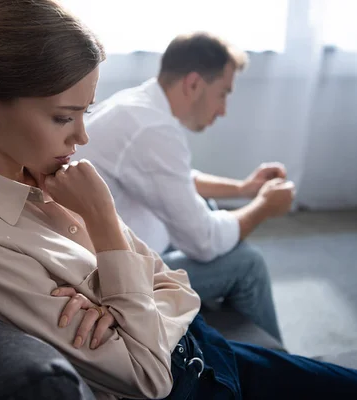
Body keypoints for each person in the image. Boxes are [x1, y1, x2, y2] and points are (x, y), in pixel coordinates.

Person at [0, 1, 357, 399]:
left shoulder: (40, 175)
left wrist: (123, 304)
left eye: (85, 112)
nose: (81, 138)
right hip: (195, 382)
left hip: (205, 350)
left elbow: (181, 289)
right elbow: (150, 376)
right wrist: (103, 222)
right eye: (63, 117)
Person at [74, 32, 292, 341]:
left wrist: (245, 188)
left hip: (111, 248)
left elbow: (175, 179)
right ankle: (277, 373)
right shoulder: (152, 128)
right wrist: (264, 206)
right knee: (247, 264)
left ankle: (225, 339)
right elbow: (203, 242)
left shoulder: (136, 104)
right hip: (109, 279)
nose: (223, 109)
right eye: (223, 94)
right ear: (193, 84)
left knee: (211, 212)